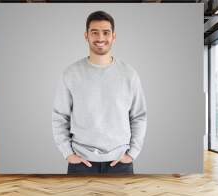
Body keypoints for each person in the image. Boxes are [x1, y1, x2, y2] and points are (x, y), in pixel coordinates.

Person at [52, 10, 147, 175]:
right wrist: (68, 153)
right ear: (86, 36)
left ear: (114, 36)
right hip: (81, 163)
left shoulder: (129, 74)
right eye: (94, 32)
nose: (100, 38)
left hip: (120, 163)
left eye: (106, 32)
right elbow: (60, 116)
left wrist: (132, 154)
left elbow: (139, 116)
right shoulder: (71, 73)